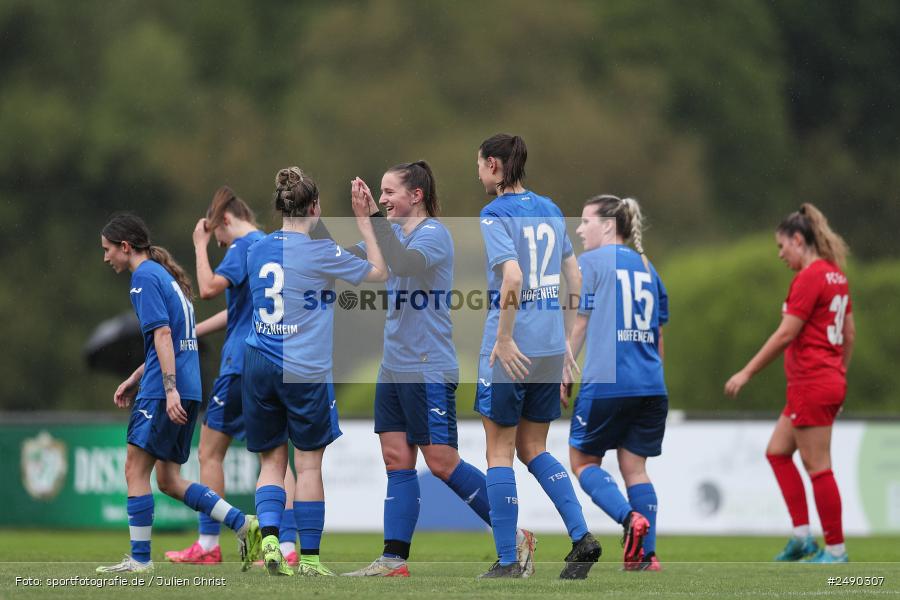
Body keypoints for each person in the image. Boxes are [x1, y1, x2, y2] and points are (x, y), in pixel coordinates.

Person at [340, 162, 536, 578]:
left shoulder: (433, 235)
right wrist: (303, 245)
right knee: (396, 459)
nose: (382, 198)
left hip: (427, 366)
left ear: (416, 196)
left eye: (389, 191)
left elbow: (403, 264)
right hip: (393, 367)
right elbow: (354, 259)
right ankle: (393, 560)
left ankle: (516, 537)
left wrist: (371, 220)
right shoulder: (393, 234)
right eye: (380, 192)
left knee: (442, 461)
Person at [243, 167, 388, 576]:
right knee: (307, 466)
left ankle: (270, 540)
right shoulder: (321, 252)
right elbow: (379, 272)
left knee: (271, 464)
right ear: (315, 207)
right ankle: (308, 559)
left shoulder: (257, 250)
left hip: (258, 362)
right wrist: (366, 223)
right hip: (303, 367)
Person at [97, 213, 260, 574]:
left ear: (126, 246)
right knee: (169, 480)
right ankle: (242, 523)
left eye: (108, 249)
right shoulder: (164, 277)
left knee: (134, 469)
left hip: (164, 391)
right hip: (187, 387)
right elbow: (173, 339)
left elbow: (164, 336)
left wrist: (167, 389)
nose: (106, 257)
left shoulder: (143, 278)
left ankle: (140, 560)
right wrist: (137, 376)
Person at [474, 134, 599, 579]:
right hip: (548, 346)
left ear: (493, 164)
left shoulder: (494, 214)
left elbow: (512, 277)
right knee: (534, 448)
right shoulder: (550, 208)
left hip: (513, 347)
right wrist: (565, 340)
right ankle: (581, 537)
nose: (478, 173)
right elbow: (575, 277)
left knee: (499, 451)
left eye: (479, 165)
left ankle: (509, 561)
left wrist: (505, 338)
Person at [164, 187, 302, 566]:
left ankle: (209, 544)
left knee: (209, 452)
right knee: (276, 458)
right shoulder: (268, 245)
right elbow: (238, 311)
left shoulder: (242, 247)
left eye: (218, 238)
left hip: (240, 365)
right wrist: (194, 332)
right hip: (275, 359)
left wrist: (199, 245)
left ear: (225, 221)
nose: (220, 246)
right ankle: (287, 548)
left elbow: (208, 288)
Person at [725, 203, 854, 564]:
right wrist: (839, 375)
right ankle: (802, 537)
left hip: (812, 380)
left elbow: (785, 334)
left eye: (782, 246)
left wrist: (746, 372)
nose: (780, 254)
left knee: (818, 466)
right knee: (778, 452)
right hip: (823, 379)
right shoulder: (836, 276)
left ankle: (836, 550)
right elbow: (849, 334)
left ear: (798, 239)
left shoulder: (810, 277)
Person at [565, 195, 667, 571]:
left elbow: (581, 322)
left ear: (608, 225)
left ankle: (629, 519)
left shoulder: (591, 262)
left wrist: (564, 371)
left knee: (582, 460)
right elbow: (658, 334)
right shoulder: (648, 267)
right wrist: (653, 378)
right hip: (651, 384)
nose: (579, 229)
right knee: (635, 468)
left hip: (608, 380)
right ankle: (646, 556)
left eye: (586, 221)